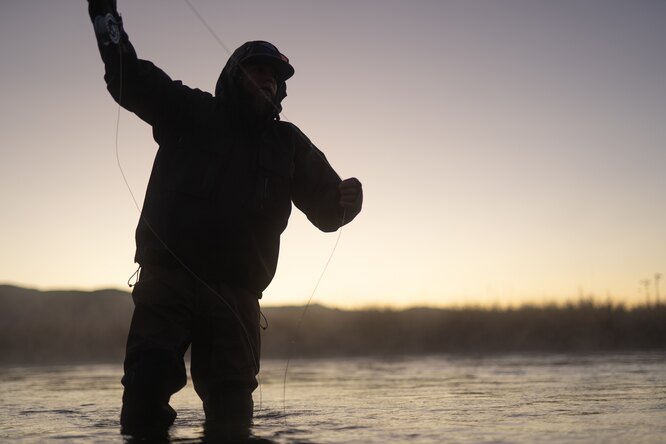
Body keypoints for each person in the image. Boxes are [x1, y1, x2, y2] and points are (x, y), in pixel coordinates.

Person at [87, 0, 363, 438]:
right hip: (167, 282)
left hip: (237, 299)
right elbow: (129, 77)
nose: (269, 81)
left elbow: (329, 212)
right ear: (235, 75)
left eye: (275, 77)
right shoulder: (188, 109)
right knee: (144, 393)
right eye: (259, 70)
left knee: (233, 414)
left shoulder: (288, 143)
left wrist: (350, 199)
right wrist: (105, 18)